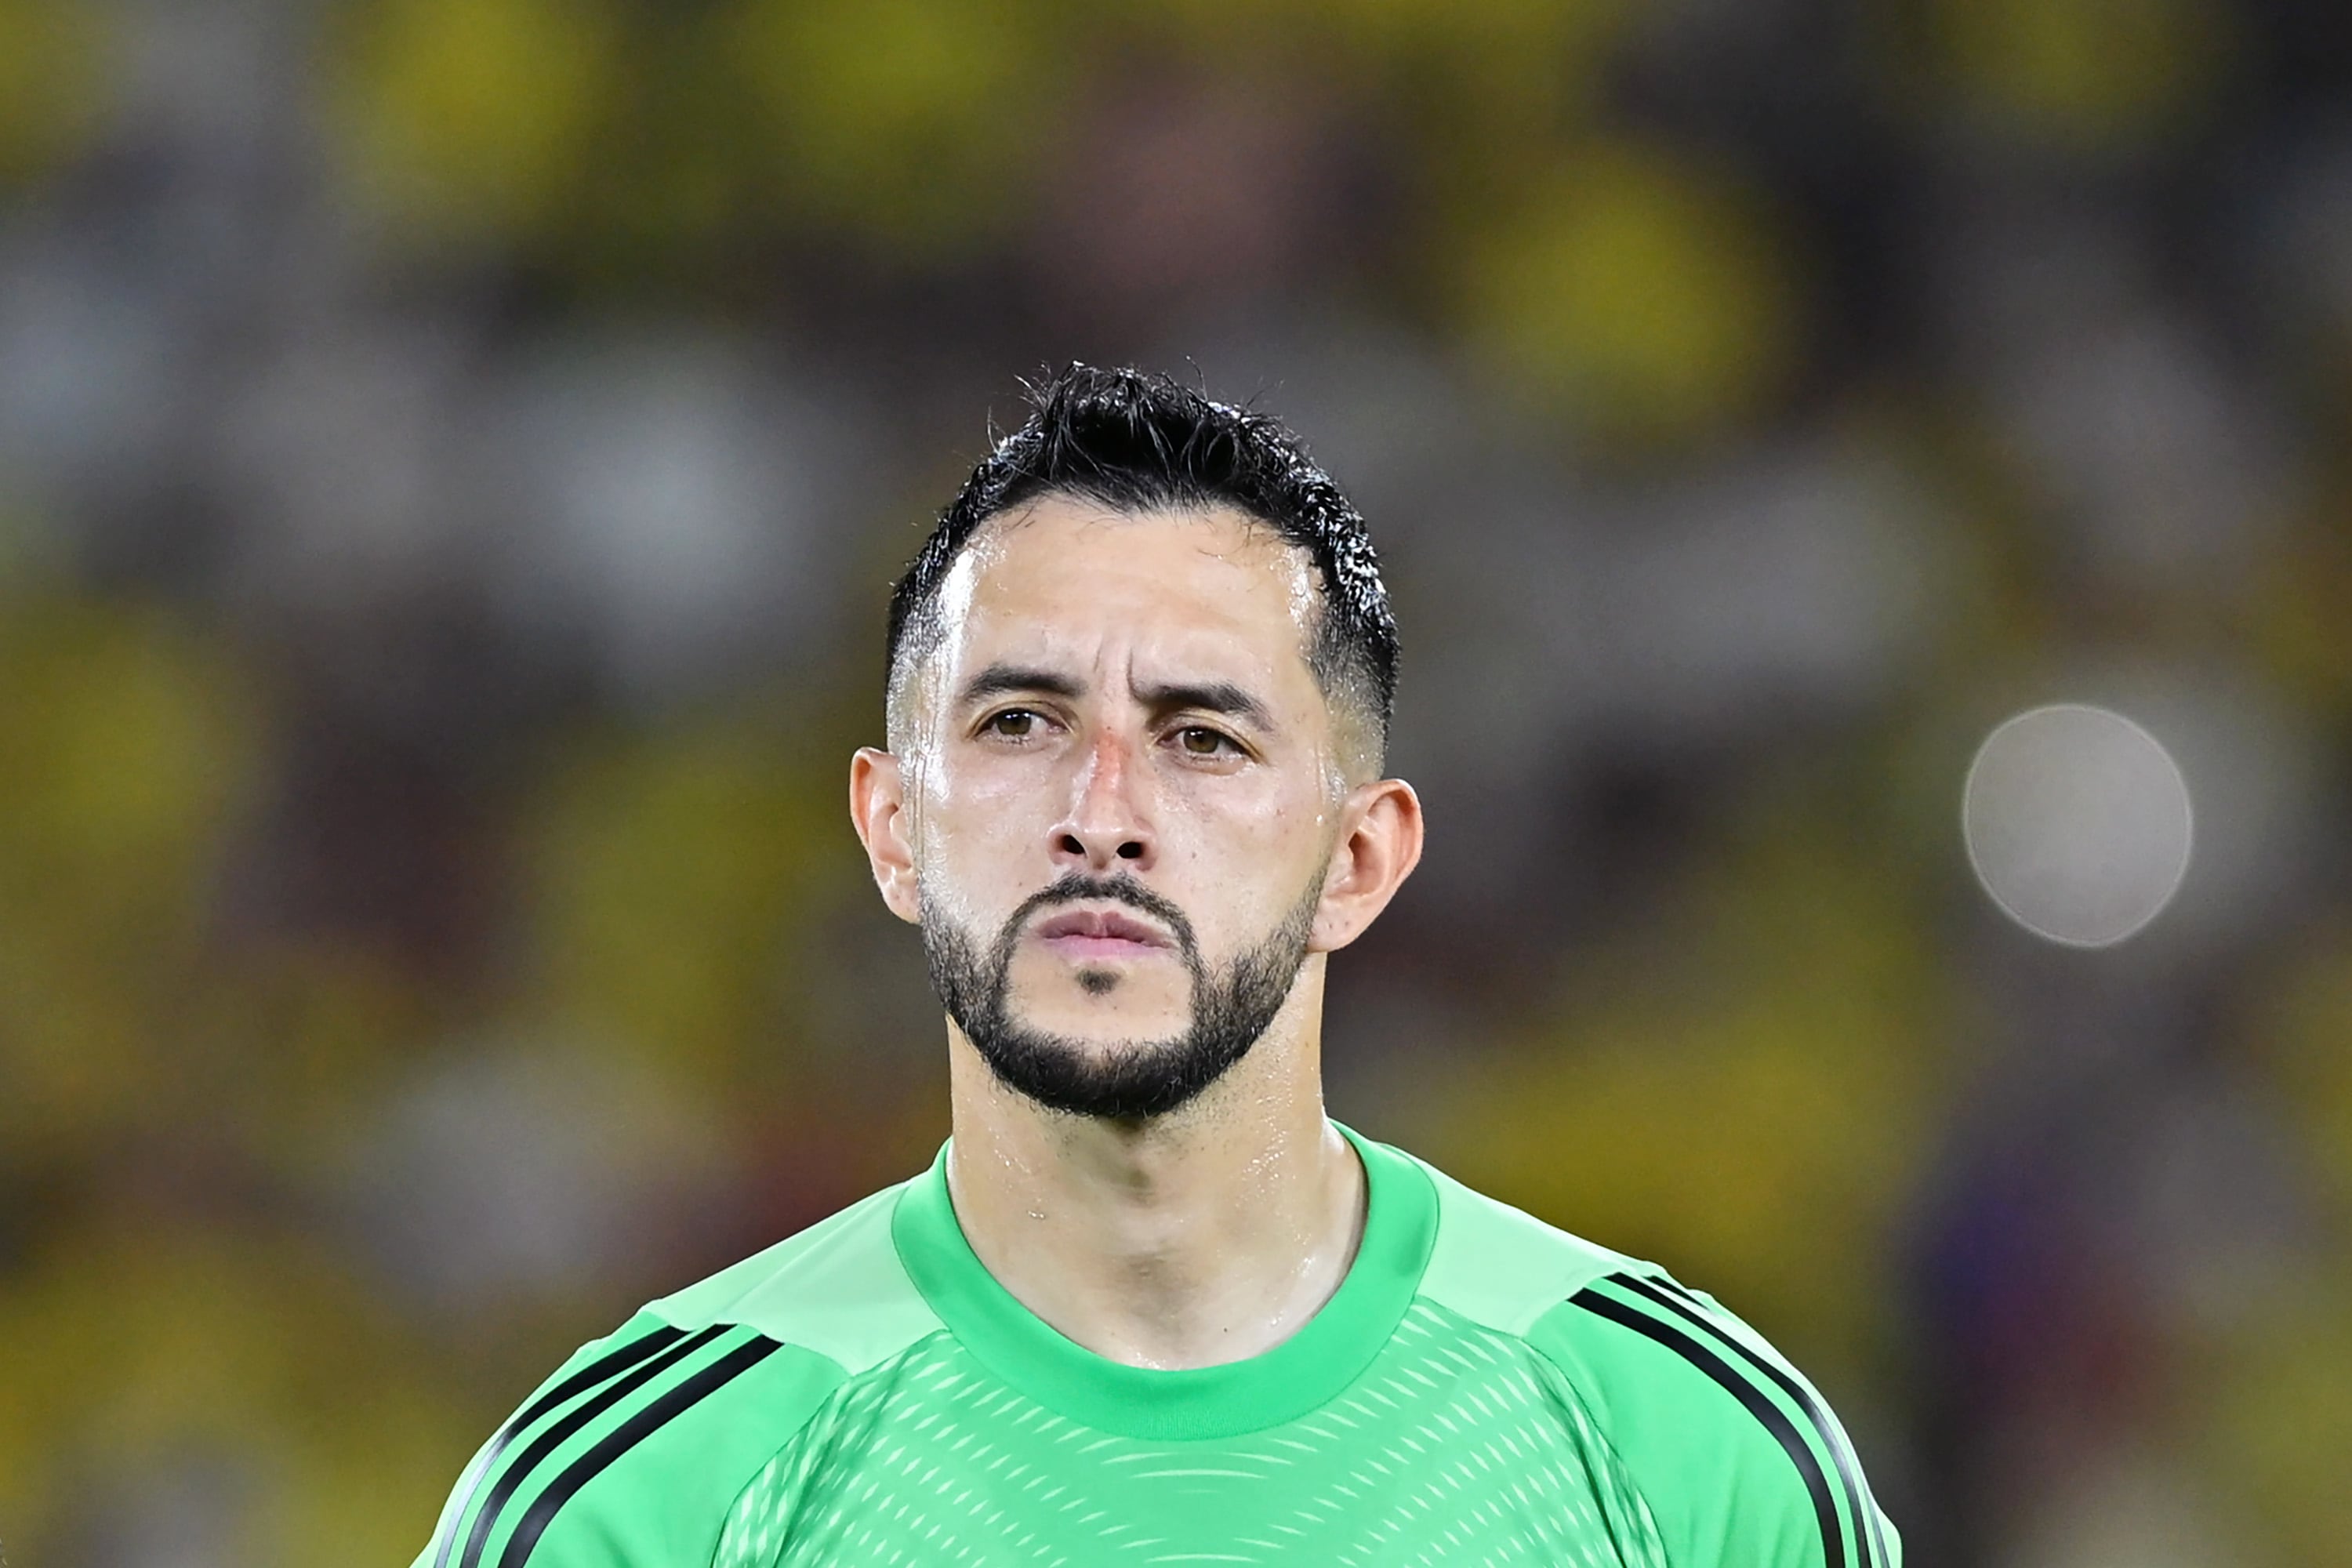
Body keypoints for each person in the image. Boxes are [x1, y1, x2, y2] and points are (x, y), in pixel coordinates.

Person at [413, 364, 1902, 1567]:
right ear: (892, 828)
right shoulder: (643, 1500)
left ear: (1360, 861)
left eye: (1203, 739)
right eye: (1017, 724)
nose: (1101, 817)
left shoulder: (1690, 1459)